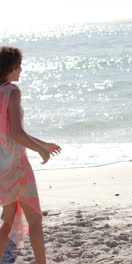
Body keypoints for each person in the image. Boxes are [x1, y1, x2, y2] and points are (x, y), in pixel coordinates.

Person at [0, 46, 61, 263]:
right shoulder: (12, 91)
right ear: (11, 67)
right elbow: (16, 132)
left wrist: (43, 143)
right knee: (35, 218)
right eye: (19, 66)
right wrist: (41, 150)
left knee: (8, 221)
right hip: (17, 166)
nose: (21, 70)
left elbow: (9, 131)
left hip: (2, 167)